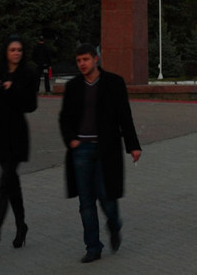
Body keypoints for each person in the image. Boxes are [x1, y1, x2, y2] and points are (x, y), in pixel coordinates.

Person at [59, 43, 142, 263]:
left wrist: (133, 145)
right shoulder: (74, 86)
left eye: (85, 59)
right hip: (81, 151)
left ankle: (114, 225)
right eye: (78, 61)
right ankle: (93, 247)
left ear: (96, 59)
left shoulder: (114, 83)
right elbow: (64, 118)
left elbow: (125, 116)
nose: (82, 64)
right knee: (86, 202)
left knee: (107, 198)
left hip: (106, 149)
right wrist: (72, 141)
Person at [0, 36, 39, 257]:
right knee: (10, 181)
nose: (16, 53)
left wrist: (13, 88)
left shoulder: (28, 74)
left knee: (4, 183)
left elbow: (31, 105)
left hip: (18, 134)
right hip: (0, 133)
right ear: (5, 52)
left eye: (19, 50)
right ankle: (21, 224)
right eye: (12, 49)